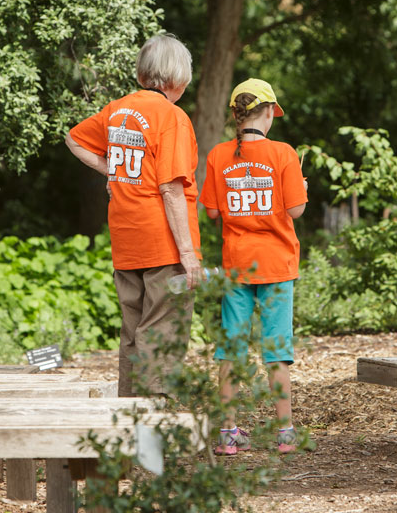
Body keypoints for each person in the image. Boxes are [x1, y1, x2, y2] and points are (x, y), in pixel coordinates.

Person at [65, 34, 202, 397]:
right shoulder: (171, 117)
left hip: (127, 243)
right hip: (164, 246)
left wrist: (112, 170)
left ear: (144, 74)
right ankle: (152, 434)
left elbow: (74, 140)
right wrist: (188, 255)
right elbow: (171, 189)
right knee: (162, 332)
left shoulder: (119, 110)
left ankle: (127, 426)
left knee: (133, 333)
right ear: (178, 78)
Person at [199, 78, 308, 455]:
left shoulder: (218, 155)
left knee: (231, 348)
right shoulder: (284, 154)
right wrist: (300, 187)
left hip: (237, 265)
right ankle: (286, 433)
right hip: (277, 265)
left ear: (236, 115)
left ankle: (228, 434)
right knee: (277, 349)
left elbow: (212, 210)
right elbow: (295, 209)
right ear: (267, 113)